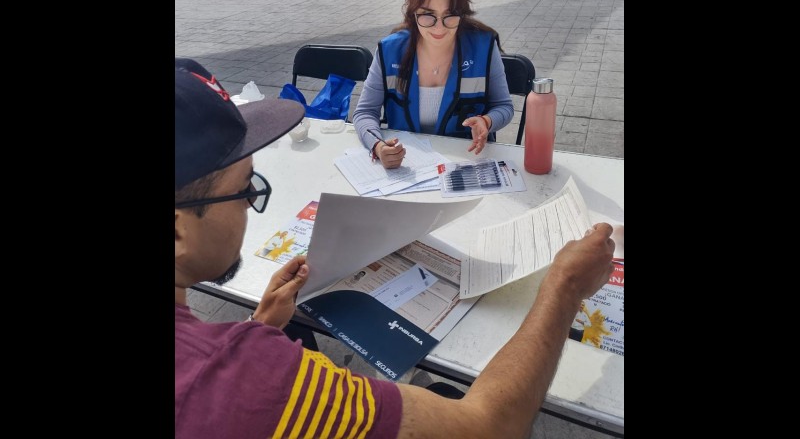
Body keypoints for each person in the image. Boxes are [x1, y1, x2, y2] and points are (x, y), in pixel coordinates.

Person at [175, 57, 617, 438]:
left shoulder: (222, 362)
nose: (251, 203)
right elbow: (488, 426)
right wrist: (564, 287)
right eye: (244, 188)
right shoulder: (259, 379)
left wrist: (259, 326)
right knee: (444, 393)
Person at [353, 0, 515, 169]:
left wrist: (487, 121)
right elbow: (364, 113)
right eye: (427, 15)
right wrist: (378, 146)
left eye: (450, 15)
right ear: (412, 7)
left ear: (463, 10)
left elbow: (503, 106)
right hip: (408, 170)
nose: (439, 27)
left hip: (464, 165)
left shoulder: (484, 48)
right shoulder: (390, 50)